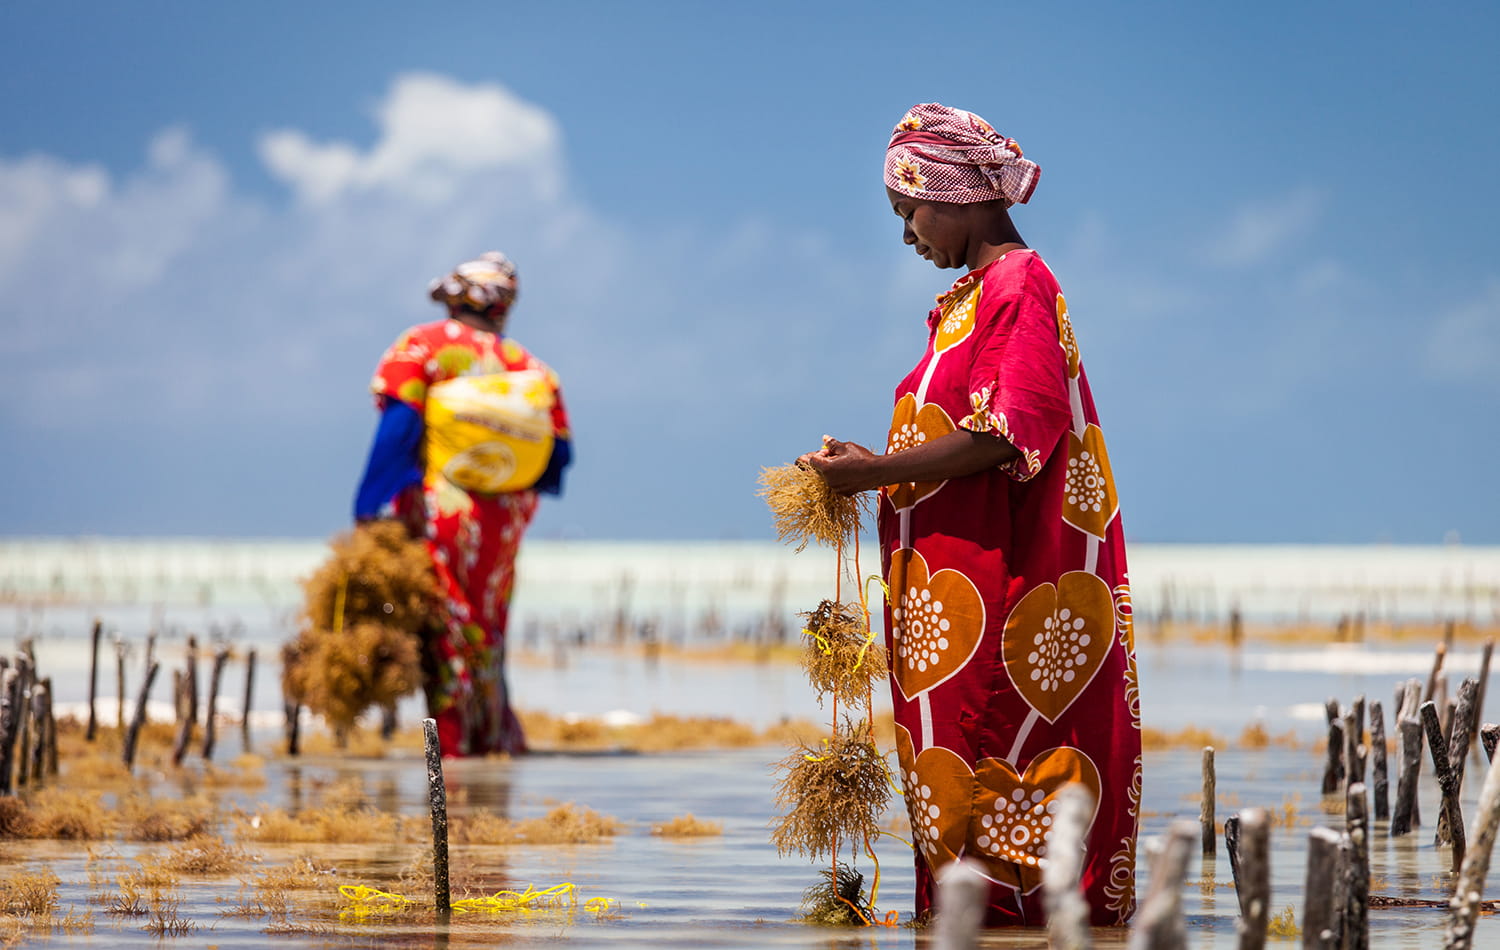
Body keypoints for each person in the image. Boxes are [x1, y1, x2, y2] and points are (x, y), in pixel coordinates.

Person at [799, 103, 1140, 926]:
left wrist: (877, 473)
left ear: (957, 196)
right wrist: (877, 461)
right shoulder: (974, 297)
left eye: (908, 211)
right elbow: (965, 428)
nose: (905, 235)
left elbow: (1005, 433)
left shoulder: (1018, 287)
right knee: (956, 796)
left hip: (1004, 600)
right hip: (955, 607)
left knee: (1000, 786)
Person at [354, 252, 572, 756]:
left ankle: (450, 754)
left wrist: (368, 510)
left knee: (445, 630)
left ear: (453, 298)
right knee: (488, 628)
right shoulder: (532, 368)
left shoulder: (421, 347)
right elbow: (558, 459)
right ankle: (492, 740)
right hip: (506, 517)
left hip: (443, 511)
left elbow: (397, 431)